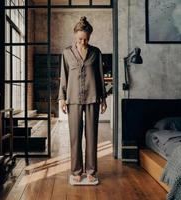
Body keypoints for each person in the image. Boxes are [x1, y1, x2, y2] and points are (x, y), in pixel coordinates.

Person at [58, 16, 107, 183]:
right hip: (72, 98)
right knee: (75, 136)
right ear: (75, 36)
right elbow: (63, 77)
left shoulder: (96, 53)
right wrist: (61, 99)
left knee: (92, 135)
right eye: (80, 38)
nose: (83, 42)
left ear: (90, 37)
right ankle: (76, 171)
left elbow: (100, 77)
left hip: (93, 97)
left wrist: (104, 98)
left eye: (86, 38)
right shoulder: (66, 53)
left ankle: (91, 171)